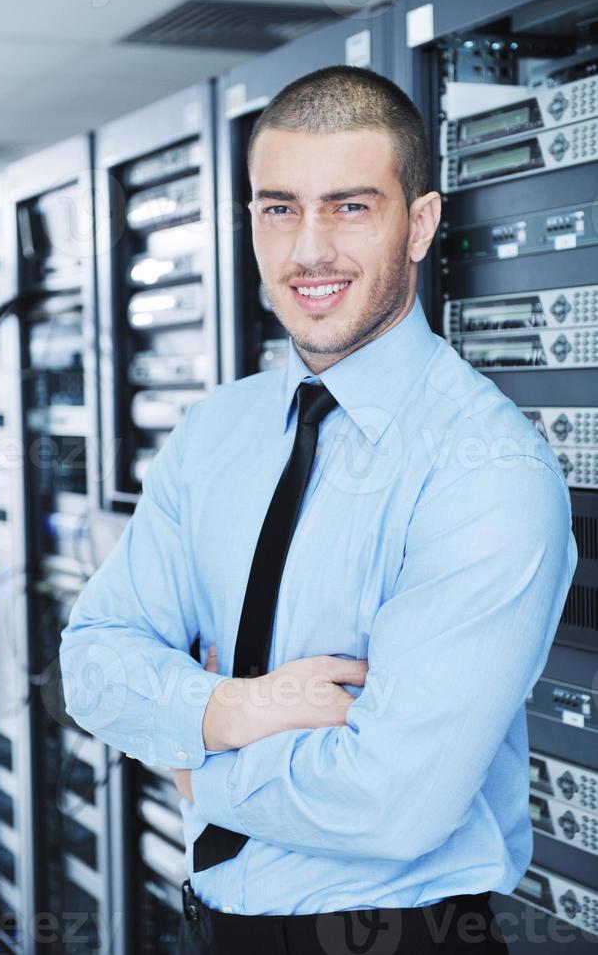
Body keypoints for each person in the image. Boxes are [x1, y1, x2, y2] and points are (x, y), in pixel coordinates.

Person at [59, 66, 577, 954]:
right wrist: (239, 706)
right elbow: (92, 660)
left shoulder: (486, 469)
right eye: (277, 208)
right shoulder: (215, 431)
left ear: (418, 225)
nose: (308, 252)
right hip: (213, 926)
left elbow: (394, 803)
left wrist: (192, 756)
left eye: (349, 207)